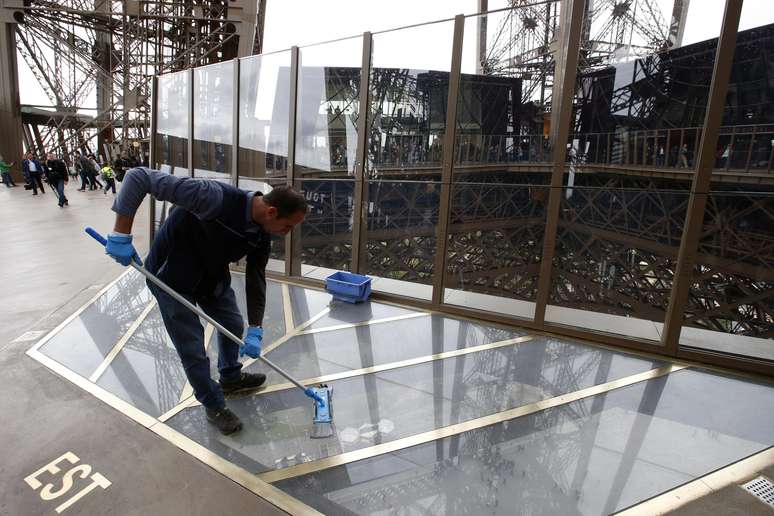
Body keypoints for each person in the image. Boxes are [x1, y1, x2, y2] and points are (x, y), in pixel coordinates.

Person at [104, 167, 307, 435]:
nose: (287, 232)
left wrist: (256, 328)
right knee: (193, 348)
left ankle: (231, 377)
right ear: (272, 212)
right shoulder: (214, 197)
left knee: (233, 324)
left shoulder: (261, 234)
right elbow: (138, 177)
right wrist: (121, 233)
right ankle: (213, 405)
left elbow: (255, 278)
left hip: (211, 276)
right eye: (288, 225)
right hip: (171, 279)